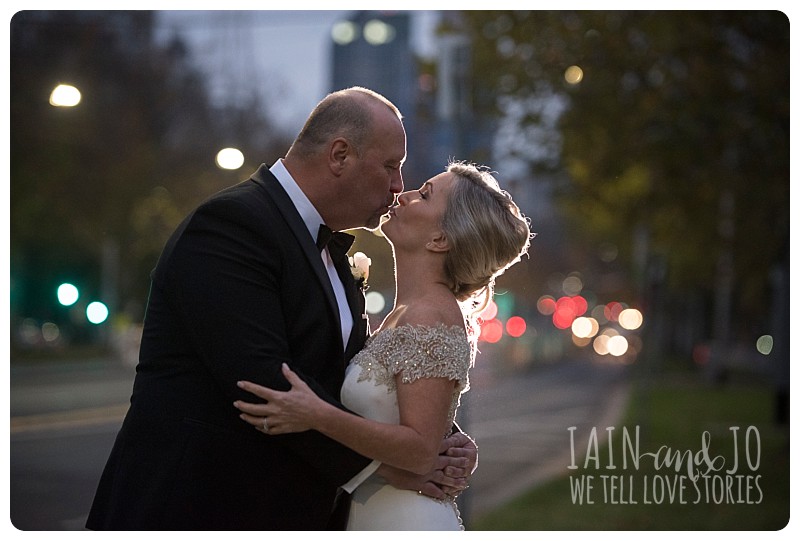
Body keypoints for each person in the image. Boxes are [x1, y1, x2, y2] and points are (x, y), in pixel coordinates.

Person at [86, 87, 477, 531]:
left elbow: (348, 381)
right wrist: (391, 465)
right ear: (340, 155)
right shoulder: (231, 227)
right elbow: (263, 385)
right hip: (197, 509)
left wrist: (439, 434)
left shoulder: (329, 252)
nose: (397, 186)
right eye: (390, 166)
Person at [234, 161, 532, 530]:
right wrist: (450, 434)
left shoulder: (432, 315)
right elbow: (406, 413)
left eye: (424, 195)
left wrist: (315, 413)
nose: (403, 195)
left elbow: (421, 451)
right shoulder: (406, 313)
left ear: (440, 240)